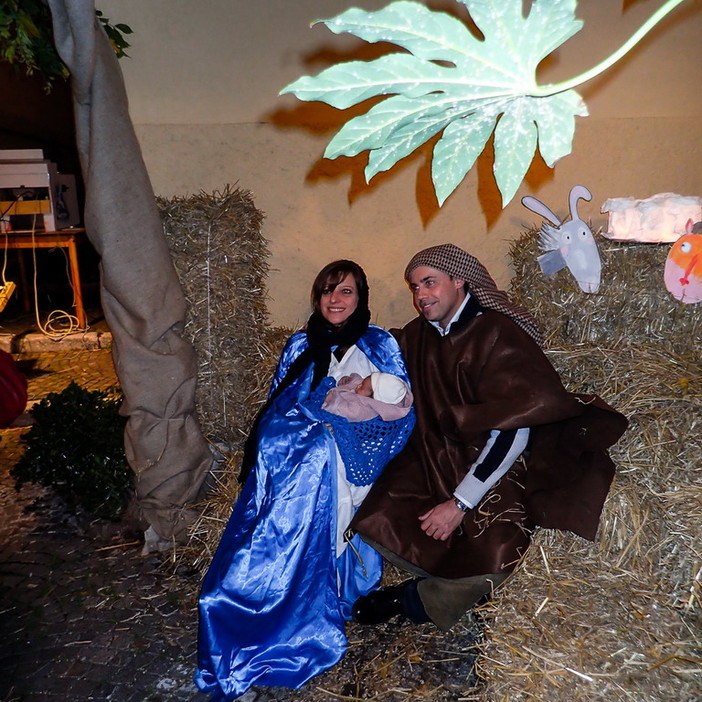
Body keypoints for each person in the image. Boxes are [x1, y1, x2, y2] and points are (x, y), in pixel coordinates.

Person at [350, 244, 628, 631]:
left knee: (500, 551)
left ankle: (414, 600)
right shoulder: (417, 336)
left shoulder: (498, 334)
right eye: (414, 287)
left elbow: (514, 429)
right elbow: (385, 365)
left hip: (497, 463)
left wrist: (460, 503)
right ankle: (440, 577)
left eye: (430, 283)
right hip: (437, 455)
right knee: (378, 511)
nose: (420, 296)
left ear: (459, 280)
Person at [195, 260, 414, 700]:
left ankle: (308, 597)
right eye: (328, 290)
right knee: (290, 465)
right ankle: (257, 593)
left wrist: (341, 428)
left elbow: (401, 410)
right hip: (294, 452)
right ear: (317, 298)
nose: (335, 299)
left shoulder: (380, 343)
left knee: (318, 462)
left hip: (351, 454)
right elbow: (279, 403)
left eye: (346, 291)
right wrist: (301, 429)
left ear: (361, 298)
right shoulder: (299, 345)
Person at [322, 371, 413, 422]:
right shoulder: (364, 389)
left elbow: (343, 412)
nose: (358, 386)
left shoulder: (363, 409)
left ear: (374, 399)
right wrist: (347, 380)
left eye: (362, 387)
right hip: (326, 399)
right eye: (362, 383)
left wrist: (334, 398)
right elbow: (357, 380)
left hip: (330, 415)